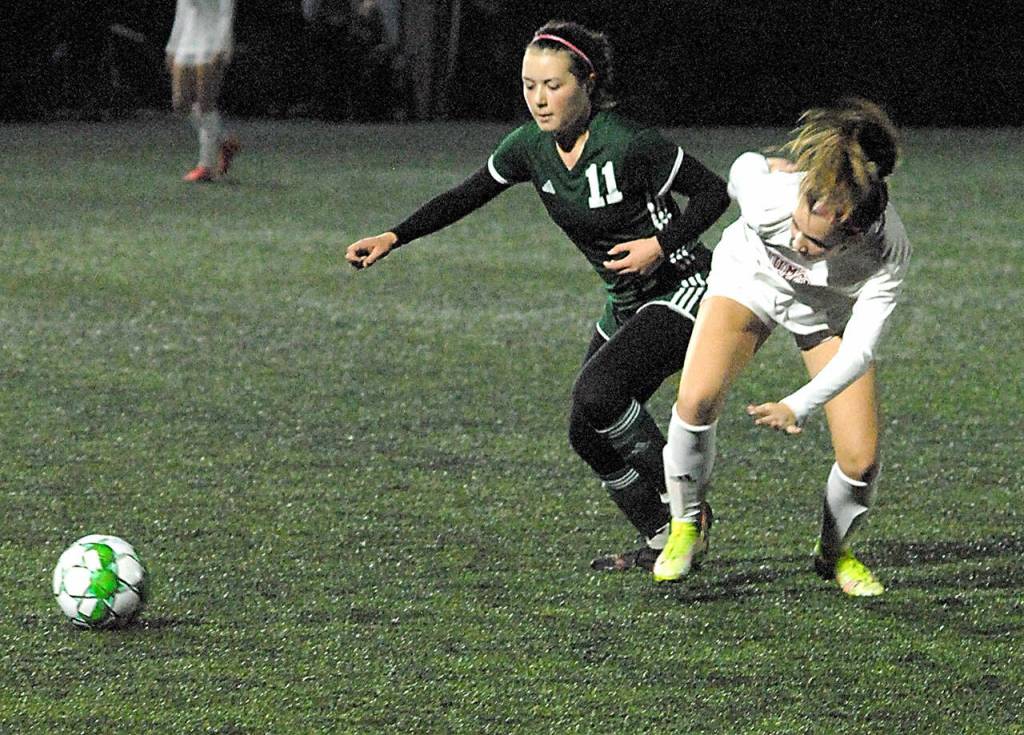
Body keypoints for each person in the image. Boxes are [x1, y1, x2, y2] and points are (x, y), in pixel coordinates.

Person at [346, 21, 730, 571]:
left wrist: (659, 244)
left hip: (685, 287)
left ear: (588, 83)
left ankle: (688, 514)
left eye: (552, 85)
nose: (539, 100)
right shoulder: (530, 147)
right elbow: (468, 193)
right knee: (586, 431)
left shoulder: (629, 141)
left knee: (598, 393)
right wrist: (394, 235)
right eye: (529, 86)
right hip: (624, 300)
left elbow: (715, 192)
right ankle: (657, 539)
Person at [652, 99, 910, 597]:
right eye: (797, 222)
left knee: (861, 462)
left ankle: (834, 553)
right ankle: (686, 526)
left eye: (814, 243)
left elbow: (856, 353)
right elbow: (741, 169)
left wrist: (798, 404)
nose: (796, 240)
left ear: (852, 235)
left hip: (825, 312)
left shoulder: (887, 250)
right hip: (750, 282)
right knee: (696, 400)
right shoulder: (773, 199)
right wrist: (766, 166)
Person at [165, 0, 240, 182]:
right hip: (187, 42)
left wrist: (221, 45)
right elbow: (181, 12)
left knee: (206, 104)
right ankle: (224, 140)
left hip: (211, 42)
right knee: (180, 104)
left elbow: (225, 12)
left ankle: (205, 166)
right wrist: (172, 47)